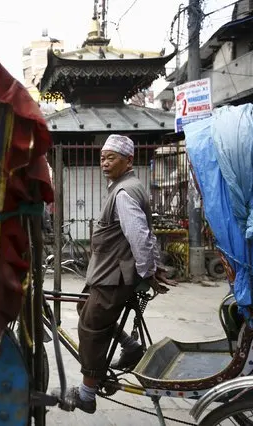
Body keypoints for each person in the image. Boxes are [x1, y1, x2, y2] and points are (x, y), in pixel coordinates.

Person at [68, 134, 176, 414]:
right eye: (102, 157)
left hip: (114, 276)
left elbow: (140, 236)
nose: (104, 162)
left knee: (90, 328)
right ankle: (130, 346)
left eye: (111, 157)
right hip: (107, 273)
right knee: (83, 307)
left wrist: (147, 272)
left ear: (128, 160)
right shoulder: (125, 186)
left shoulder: (124, 192)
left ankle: (87, 393)